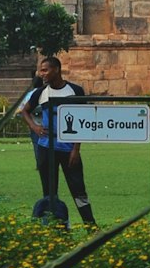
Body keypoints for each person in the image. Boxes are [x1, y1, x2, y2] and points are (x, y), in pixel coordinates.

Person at [20, 55, 95, 226]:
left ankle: (90, 225)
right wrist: (34, 127)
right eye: (41, 70)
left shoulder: (75, 90)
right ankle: (54, 225)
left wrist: (76, 149)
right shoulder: (40, 93)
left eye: (45, 70)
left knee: (78, 189)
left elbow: (83, 120)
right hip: (46, 148)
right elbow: (24, 111)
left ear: (57, 70)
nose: (41, 74)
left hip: (69, 149)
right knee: (49, 191)